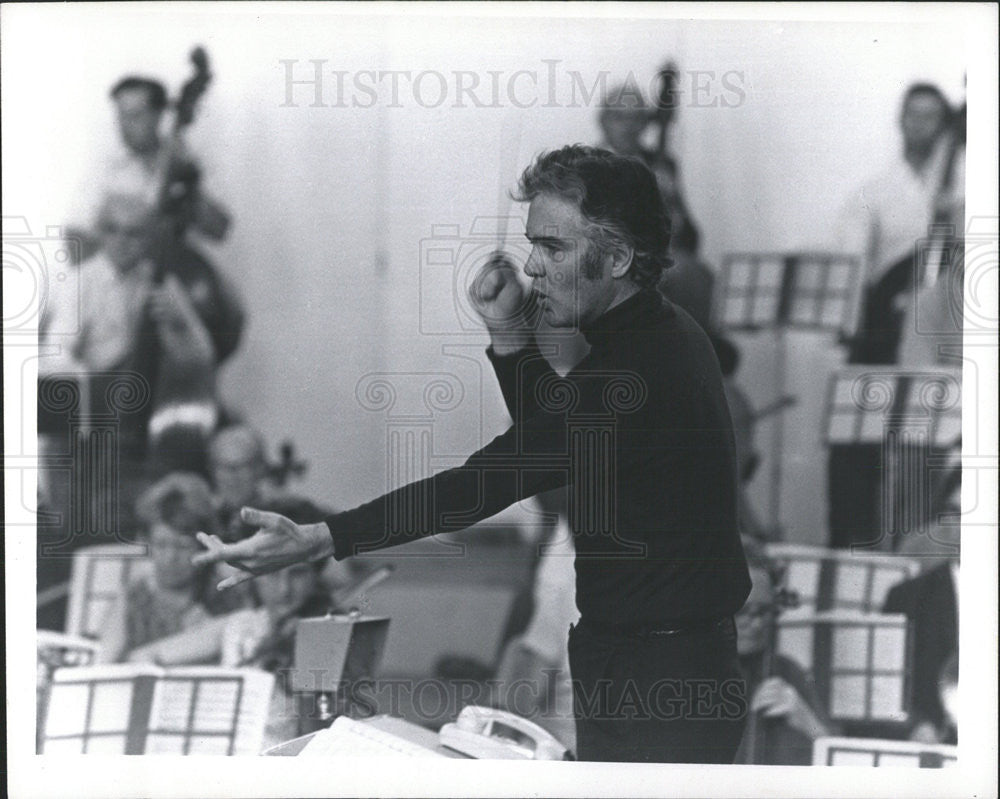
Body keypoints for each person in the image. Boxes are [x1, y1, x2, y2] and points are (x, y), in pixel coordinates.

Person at [196, 145, 751, 763]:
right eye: (533, 243)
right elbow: (556, 433)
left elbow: (484, 482)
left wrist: (324, 537)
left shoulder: (638, 369)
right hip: (644, 663)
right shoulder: (658, 335)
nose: (534, 267)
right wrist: (510, 333)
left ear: (618, 257)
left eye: (554, 247)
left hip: (661, 677)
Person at [66, 75, 231, 264]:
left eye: (135, 116)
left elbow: (221, 230)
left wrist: (188, 188)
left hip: (173, 281)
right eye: (121, 116)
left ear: (158, 115)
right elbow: (75, 236)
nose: (125, 126)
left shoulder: (188, 166)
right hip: (118, 284)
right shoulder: (106, 169)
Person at [98, 473, 221, 663]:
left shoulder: (223, 593)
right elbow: (102, 665)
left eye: (182, 546)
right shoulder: (133, 599)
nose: (170, 558)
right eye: (161, 544)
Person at [734, 538, 835, 765]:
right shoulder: (689, 676)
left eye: (765, 611)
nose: (756, 623)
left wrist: (806, 720)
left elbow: (839, 762)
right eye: (742, 611)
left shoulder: (786, 671)